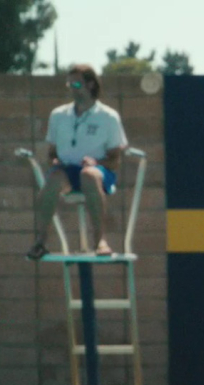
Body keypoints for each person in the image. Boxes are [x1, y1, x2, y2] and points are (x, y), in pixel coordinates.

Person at [27, 64, 128, 260]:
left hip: (98, 172)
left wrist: (95, 162)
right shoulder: (58, 115)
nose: (71, 88)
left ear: (90, 85)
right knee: (53, 179)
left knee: (88, 175)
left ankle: (100, 240)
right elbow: (51, 153)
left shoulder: (108, 117)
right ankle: (40, 241)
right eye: (69, 84)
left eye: (76, 84)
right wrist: (55, 162)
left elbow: (115, 160)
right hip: (68, 171)